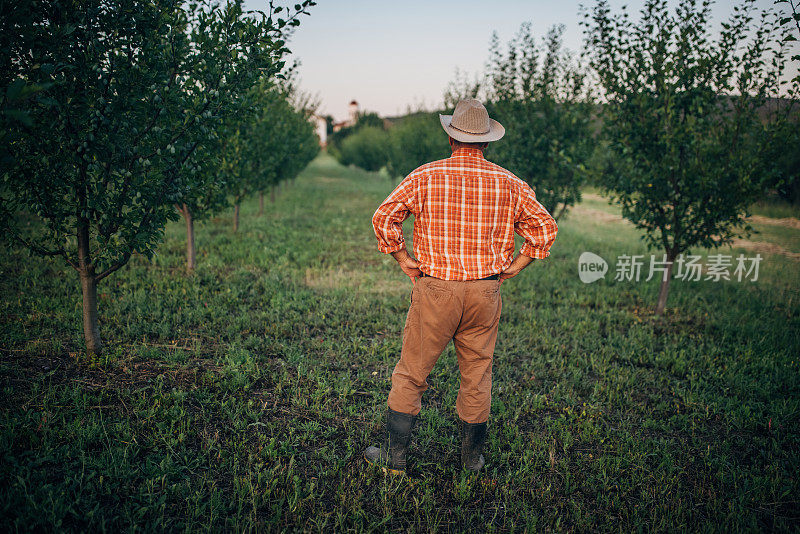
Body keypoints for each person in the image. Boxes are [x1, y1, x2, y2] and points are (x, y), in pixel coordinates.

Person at [364, 98, 558, 474]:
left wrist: (403, 258)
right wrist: (516, 265)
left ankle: (395, 457)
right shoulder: (510, 183)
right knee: (477, 372)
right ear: (486, 143)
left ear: (451, 139)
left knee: (412, 372)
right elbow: (545, 228)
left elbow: (384, 217)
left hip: (436, 289)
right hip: (485, 291)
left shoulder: (426, 175)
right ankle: (471, 459)